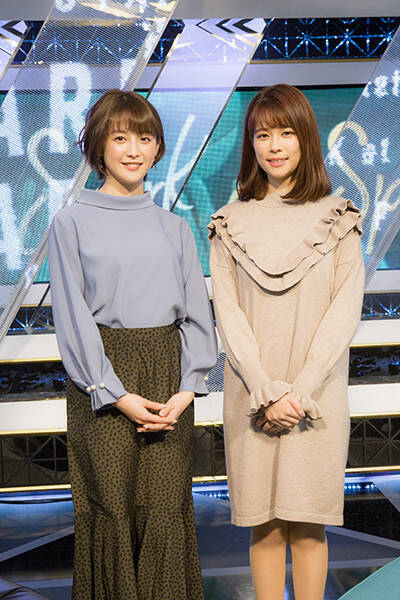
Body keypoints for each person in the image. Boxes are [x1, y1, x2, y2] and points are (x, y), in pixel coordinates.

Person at [48, 89, 217, 600]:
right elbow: (73, 318)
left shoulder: (175, 227)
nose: (134, 150)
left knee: (165, 511)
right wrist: (115, 394)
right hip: (101, 382)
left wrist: (188, 391)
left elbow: (197, 315)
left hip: (169, 381)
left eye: (145, 138)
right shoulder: (70, 222)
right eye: (120, 138)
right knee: (111, 511)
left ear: (158, 147)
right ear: (98, 145)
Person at [207, 84, 365, 600]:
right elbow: (229, 315)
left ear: (306, 139)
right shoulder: (229, 222)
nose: (274, 146)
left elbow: (344, 312)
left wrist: (299, 391)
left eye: (286, 133)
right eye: (262, 135)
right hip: (252, 397)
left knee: (309, 526)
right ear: (251, 143)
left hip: (316, 396)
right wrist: (264, 391)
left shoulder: (340, 217)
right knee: (266, 527)